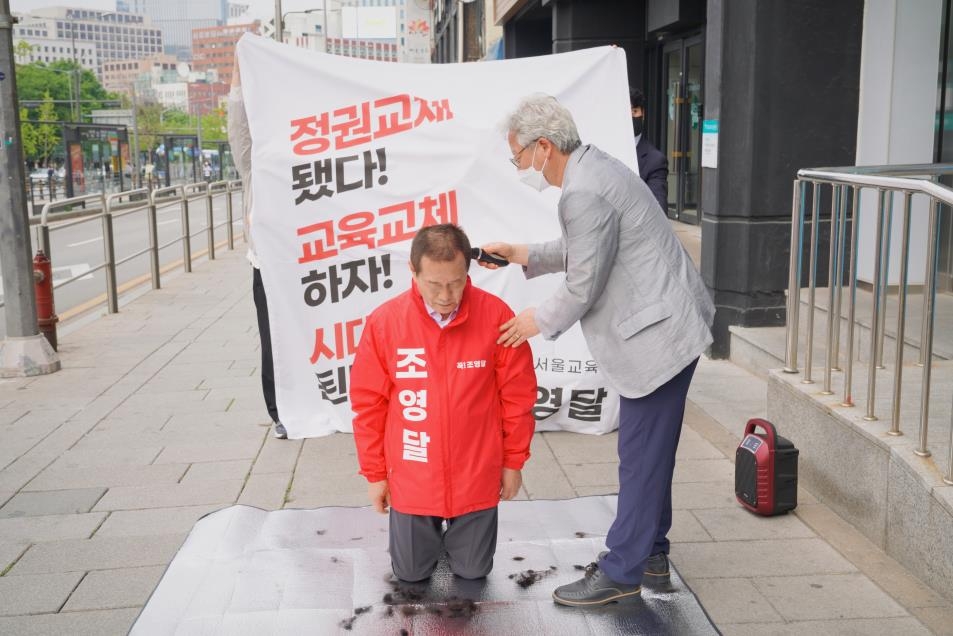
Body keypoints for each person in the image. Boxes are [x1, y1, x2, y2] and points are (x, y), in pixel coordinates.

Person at [479, 94, 714, 607]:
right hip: (670, 324)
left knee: (639, 457)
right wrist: (522, 254)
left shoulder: (582, 190)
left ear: (544, 147)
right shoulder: (594, 169)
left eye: (518, 158)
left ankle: (622, 569)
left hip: (659, 339)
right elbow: (593, 244)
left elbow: (584, 283)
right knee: (649, 454)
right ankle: (650, 552)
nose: (520, 168)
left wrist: (532, 321)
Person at [350, 224, 537, 583]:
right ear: (413, 271)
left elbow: (518, 397)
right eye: (434, 284)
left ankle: (459, 542)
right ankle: (427, 540)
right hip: (414, 476)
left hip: (476, 475)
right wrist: (375, 475)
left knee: (474, 571)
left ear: (468, 270)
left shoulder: (496, 316)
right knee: (410, 574)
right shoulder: (386, 323)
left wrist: (513, 462)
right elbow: (368, 406)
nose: (445, 296)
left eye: (456, 282)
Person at [227, 59, 286, 439]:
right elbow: (238, 130)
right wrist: (238, 71)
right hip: (269, 264)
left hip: (309, 264)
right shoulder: (255, 164)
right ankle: (280, 410)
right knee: (274, 338)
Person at [629, 87, 668, 214]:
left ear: (643, 114)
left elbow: (658, 210)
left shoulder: (655, 161)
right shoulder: (602, 152)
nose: (631, 116)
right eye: (626, 112)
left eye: (634, 111)